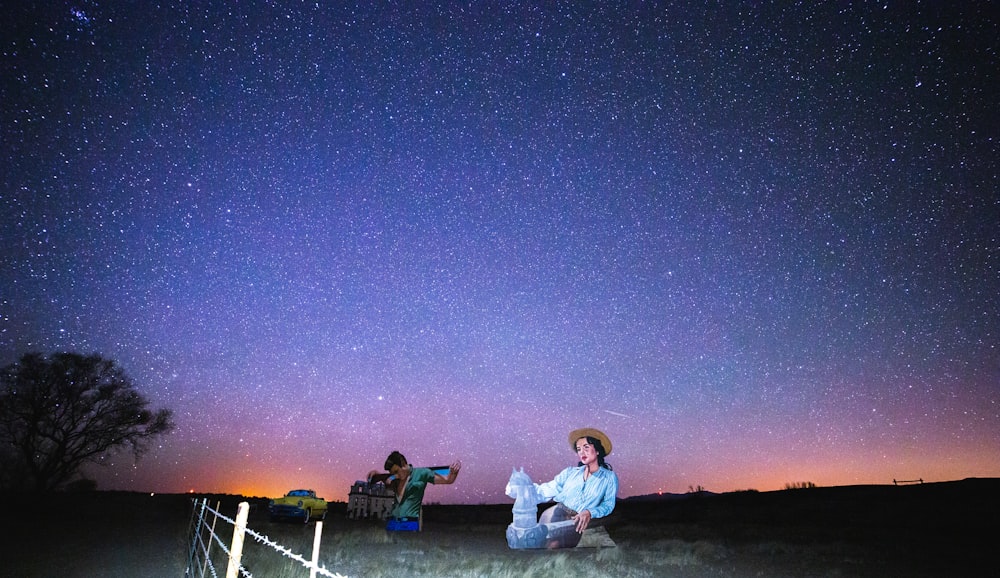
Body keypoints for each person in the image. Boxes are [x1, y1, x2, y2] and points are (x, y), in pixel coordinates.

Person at [534, 427, 618, 548]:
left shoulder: (609, 477)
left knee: (605, 551)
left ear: (598, 450)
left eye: (586, 447)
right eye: (579, 449)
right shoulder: (570, 472)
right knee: (553, 547)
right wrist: (526, 490)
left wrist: (589, 512)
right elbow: (550, 487)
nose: (582, 453)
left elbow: (608, 505)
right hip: (561, 514)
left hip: (586, 520)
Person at [367, 451, 462, 530]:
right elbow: (380, 477)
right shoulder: (394, 478)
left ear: (403, 464)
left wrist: (454, 472)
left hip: (409, 524)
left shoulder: (422, 473)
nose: (395, 475)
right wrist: (375, 473)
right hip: (392, 523)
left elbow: (448, 480)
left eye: (396, 471)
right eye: (392, 473)